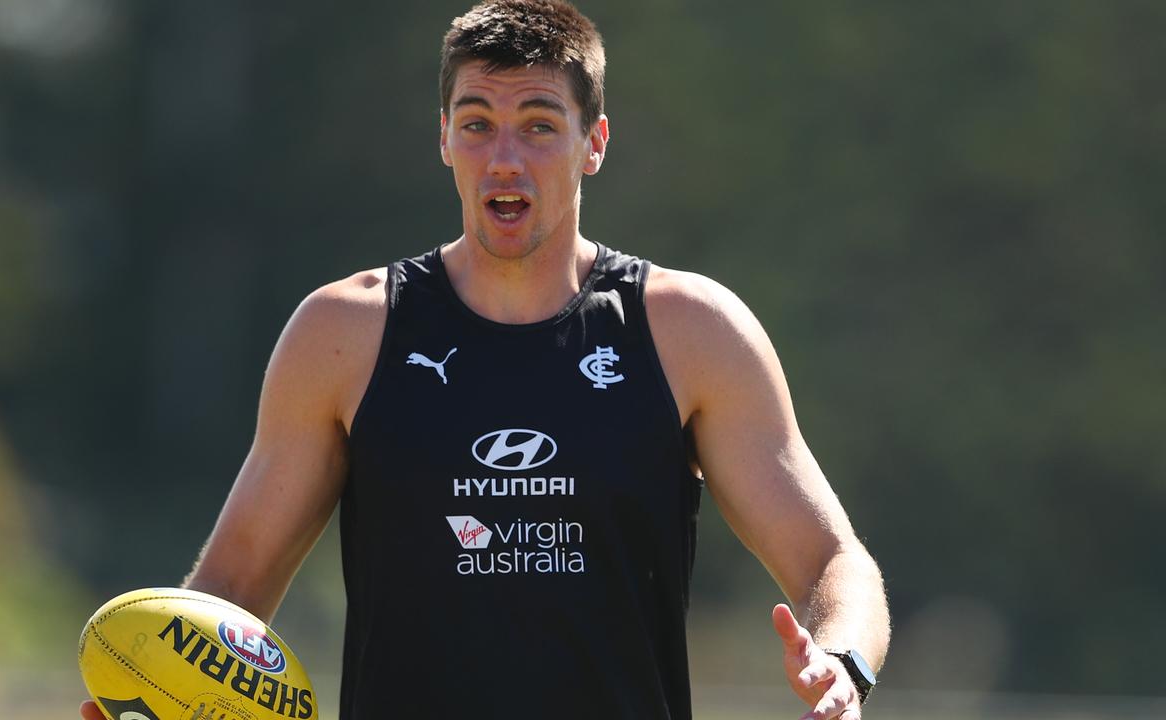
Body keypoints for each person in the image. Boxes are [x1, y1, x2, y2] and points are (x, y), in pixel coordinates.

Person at [82, 1, 889, 718]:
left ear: (593, 142)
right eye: (476, 123)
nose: (505, 156)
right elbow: (230, 591)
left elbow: (833, 560)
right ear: (444, 138)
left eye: (539, 123)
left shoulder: (690, 331)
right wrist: (154, 701)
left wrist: (841, 660)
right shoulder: (344, 333)